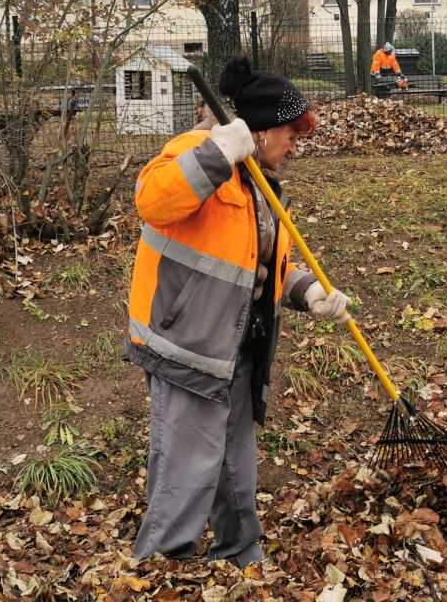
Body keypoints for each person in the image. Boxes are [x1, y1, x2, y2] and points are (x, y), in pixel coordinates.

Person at [124, 56, 352, 567]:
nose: (296, 145)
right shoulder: (198, 152)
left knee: (235, 466)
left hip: (239, 344)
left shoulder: (260, 184)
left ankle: (239, 553)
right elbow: (151, 200)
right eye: (291, 133)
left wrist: (307, 292)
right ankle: (162, 567)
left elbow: (256, 264)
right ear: (263, 130)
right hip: (189, 343)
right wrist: (217, 153)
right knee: (186, 467)